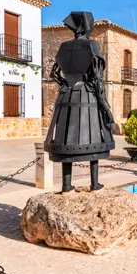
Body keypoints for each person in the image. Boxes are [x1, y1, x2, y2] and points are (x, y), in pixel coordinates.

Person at [44, 11, 115, 192]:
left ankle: (66, 185)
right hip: (87, 94)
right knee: (93, 136)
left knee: (66, 138)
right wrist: (104, 104)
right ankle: (94, 183)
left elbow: (53, 73)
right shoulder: (93, 45)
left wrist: (66, 83)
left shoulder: (64, 46)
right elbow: (98, 78)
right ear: (88, 26)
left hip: (66, 96)